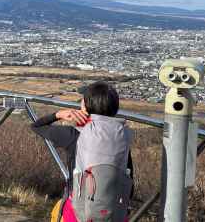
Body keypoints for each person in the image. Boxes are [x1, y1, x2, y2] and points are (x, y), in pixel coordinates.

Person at [31, 81, 133, 222]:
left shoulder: (74, 134)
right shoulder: (122, 137)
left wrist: (59, 114)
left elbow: (37, 126)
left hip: (77, 212)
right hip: (114, 213)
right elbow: (129, 179)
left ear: (84, 105)